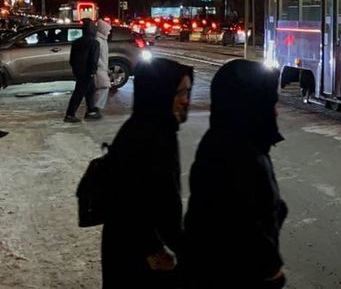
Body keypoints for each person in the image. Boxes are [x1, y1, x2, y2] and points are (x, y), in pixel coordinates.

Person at [184, 60, 288, 288]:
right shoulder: (242, 154)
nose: (276, 112)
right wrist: (271, 270)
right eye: (270, 103)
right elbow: (245, 226)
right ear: (251, 105)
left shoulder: (224, 140)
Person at [101, 58, 193, 288]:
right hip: (139, 257)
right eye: (181, 93)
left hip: (138, 249)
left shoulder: (153, 128)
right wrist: (153, 248)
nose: (186, 101)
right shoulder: (149, 137)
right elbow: (127, 201)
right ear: (161, 95)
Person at [66, 18, 100, 123]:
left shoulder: (76, 42)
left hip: (78, 70)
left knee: (90, 90)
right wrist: (93, 71)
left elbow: (71, 58)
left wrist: (75, 68)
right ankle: (70, 114)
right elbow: (93, 59)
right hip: (87, 71)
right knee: (79, 92)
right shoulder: (94, 43)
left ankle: (91, 111)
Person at [92, 19, 112, 112]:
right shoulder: (99, 40)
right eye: (107, 30)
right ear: (103, 30)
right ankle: (96, 107)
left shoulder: (102, 40)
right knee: (103, 86)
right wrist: (103, 66)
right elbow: (97, 56)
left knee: (101, 87)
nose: (108, 32)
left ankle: (96, 107)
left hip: (102, 68)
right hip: (99, 68)